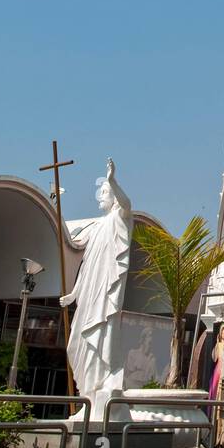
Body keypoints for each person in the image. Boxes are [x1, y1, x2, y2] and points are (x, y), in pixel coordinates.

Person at [60, 158, 132, 417]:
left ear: (113, 196)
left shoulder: (121, 219)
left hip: (105, 298)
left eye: (103, 192)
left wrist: (112, 180)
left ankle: (99, 394)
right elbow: (87, 266)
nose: (99, 196)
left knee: (100, 342)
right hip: (89, 295)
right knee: (74, 345)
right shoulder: (97, 228)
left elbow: (127, 204)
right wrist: (74, 293)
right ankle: (87, 398)